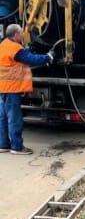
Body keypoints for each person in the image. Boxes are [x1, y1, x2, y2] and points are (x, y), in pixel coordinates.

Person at [0, 24, 54, 155]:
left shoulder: (3, 45)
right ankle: (17, 147)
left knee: (3, 117)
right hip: (12, 88)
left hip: (3, 87)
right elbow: (32, 59)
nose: (23, 35)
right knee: (14, 118)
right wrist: (48, 56)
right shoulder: (15, 49)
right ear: (16, 35)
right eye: (21, 33)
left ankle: (3, 145)